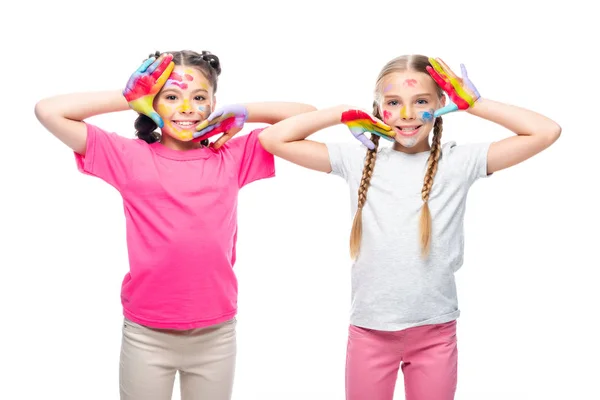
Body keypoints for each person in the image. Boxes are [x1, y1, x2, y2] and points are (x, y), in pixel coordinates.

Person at [258, 54, 561, 400]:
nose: (407, 115)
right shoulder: (357, 158)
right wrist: (341, 112)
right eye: (393, 103)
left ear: (442, 104)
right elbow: (273, 140)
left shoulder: (458, 161)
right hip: (369, 331)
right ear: (378, 107)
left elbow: (546, 131)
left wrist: (475, 104)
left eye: (420, 102)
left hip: (435, 332)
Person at [34, 49, 316, 400]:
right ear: (152, 102)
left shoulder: (232, 156)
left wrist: (245, 111)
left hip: (216, 332)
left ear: (214, 103)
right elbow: (47, 110)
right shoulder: (128, 156)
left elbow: (309, 117)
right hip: (146, 334)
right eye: (171, 96)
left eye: (199, 97)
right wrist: (128, 98)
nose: (186, 108)